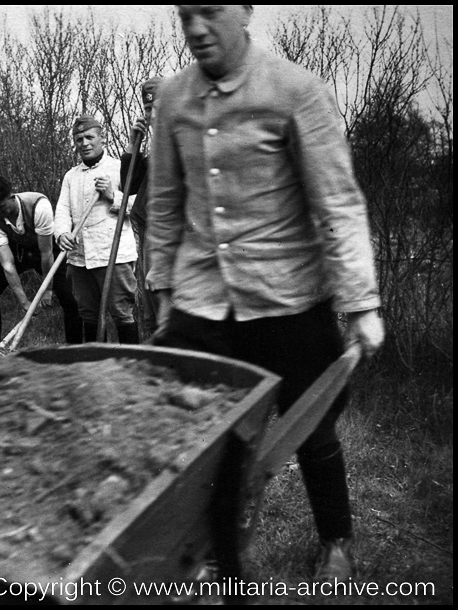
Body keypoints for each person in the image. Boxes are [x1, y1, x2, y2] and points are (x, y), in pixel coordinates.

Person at [145, 5, 385, 582]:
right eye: (185, 15)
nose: (197, 28)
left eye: (210, 12)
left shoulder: (296, 91)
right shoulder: (172, 99)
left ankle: (335, 540)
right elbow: (163, 204)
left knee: (313, 427)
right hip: (204, 301)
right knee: (198, 432)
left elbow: (338, 203)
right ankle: (208, 549)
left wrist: (363, 303)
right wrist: (163, 287)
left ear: (245, 11)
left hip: (289, 300)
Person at [54, 115, 140, 344]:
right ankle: (94, 362)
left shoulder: (119, 168)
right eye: (79, 138)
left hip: (113, 254)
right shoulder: (71, 176)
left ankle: (131, 365)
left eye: (89, 137)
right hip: (80, 257)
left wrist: (113, 195)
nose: (84, 143)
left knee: (122, 313)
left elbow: (140, 207)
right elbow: (62, 210)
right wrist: (62, 234)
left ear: (103, 139)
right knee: (88, 314)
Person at [0, 173, 83, 345]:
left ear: (11, 197)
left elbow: (46, 253)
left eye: (2, 207)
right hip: (18, 250)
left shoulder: (38, 206)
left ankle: (75, 347)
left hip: (45, 248)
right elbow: (7, 264)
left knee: (68, 295)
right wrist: (24, 301)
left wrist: (48, 290)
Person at [120, 76, 162, 337]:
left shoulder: (184, 142)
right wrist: (133, 144)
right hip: (147, 236)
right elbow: (128, 187)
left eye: (158, 106)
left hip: (169, 241)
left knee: (166, 307)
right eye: (147, 109)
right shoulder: (156, 148)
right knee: (148, 309)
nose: (152, 114)